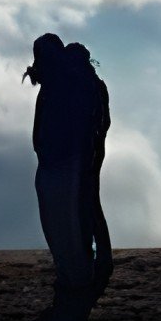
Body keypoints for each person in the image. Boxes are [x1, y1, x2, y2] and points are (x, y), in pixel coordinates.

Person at [26, 34, 96, 292]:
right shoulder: (61, 79)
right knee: (60, 219)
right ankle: (70, 273)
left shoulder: (63, 82)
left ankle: (74, 276)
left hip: (62, 161)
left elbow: (67, 123)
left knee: (62, 221)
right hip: (58, 159)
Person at [65, 42, 112, 288]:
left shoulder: (86, 87)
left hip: (87, 154)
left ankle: (98, 257)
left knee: (88, 205)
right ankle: (99, 256)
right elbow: (105, 122)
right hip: (92, 152)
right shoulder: (96, 85)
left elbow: (99, 122)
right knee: (90, 204)